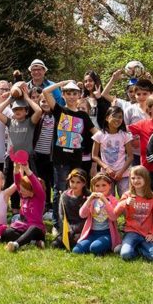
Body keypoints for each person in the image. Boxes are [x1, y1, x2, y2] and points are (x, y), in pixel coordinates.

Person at [42, 80, 99, 233]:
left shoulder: (83, 115)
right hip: (60, 159)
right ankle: (57, 224)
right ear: (63, 94)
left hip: (76, 159)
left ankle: (74, 223)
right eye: (68, 93)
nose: (72, 96)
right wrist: (63, 82)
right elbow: (46, 92)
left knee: (76, 190)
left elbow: (97, 134)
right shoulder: (59, 110)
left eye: (74, 93)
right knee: (60, 190)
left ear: (79, 95)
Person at [0, 83, 42, 210]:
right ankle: (16, 209)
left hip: (28, 158)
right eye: (15, 109)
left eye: (21, 109)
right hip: (13, 159)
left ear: (26, 111)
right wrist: (10, 99)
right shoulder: (10, 122)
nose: (18, 111)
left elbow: (38, 111)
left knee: (31, 182)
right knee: (13, 183)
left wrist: (27, 98)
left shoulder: (30, 122)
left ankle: (32, 207)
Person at [114, 166, 153, 261]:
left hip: (146, 234)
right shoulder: (127, 195)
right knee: (125, 255)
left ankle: (137, 248)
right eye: (133, 178)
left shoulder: (152, 196)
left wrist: (152, 233)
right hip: (131, 232)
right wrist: (125, 203)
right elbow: (115, 214)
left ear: (146, 179)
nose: (136, 180)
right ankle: (127, 248)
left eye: (139, 177)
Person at [72, 173, 121, 255]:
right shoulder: (92, 200)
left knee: (94, 248)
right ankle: (97, 243)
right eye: (97, 186)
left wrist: (105, 200)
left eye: (104, 185)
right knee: (76, 250)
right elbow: (82, 214)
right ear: (94, 187)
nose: (100, 188)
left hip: (107, 234)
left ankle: (108, 244)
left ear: (109, 186)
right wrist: (89, 200)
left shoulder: (113, 200)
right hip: (93, 233)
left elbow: (113, 217)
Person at [2, 163, 47, 252]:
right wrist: (16, 168)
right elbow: (17, 181)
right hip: (24, 228)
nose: (20, 192)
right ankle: (34, 242)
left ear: (31, 190)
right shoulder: (24, 196)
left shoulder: (39, 197)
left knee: (33, 228)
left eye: (23, 190)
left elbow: (35, 184)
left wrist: (26, 169)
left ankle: (16, 245)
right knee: (7, 233)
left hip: (37, 230)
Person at [92, 106, 133, 197]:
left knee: (125, 198)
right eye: (114, 116)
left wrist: (121, 172)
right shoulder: (99, 135)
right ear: (107, 118)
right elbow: (94, 155)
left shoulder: (125, 135)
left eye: (120, 117)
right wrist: (106, 167)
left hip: (123, 174)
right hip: (106, 174)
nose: (117, 119)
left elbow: (130, 156)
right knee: (108, 199)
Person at [52, 168, 89, 249]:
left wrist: (78, 230)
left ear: (84, 183)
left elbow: (88, 218)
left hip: (83, 228)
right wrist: (69, 230)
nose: (74, 185)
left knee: (78, 243)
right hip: (68, 229)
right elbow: (62, 216)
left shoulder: (88, 197)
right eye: (72, 181)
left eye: (78, 182)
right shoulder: (64, 196)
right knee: (56, 244)